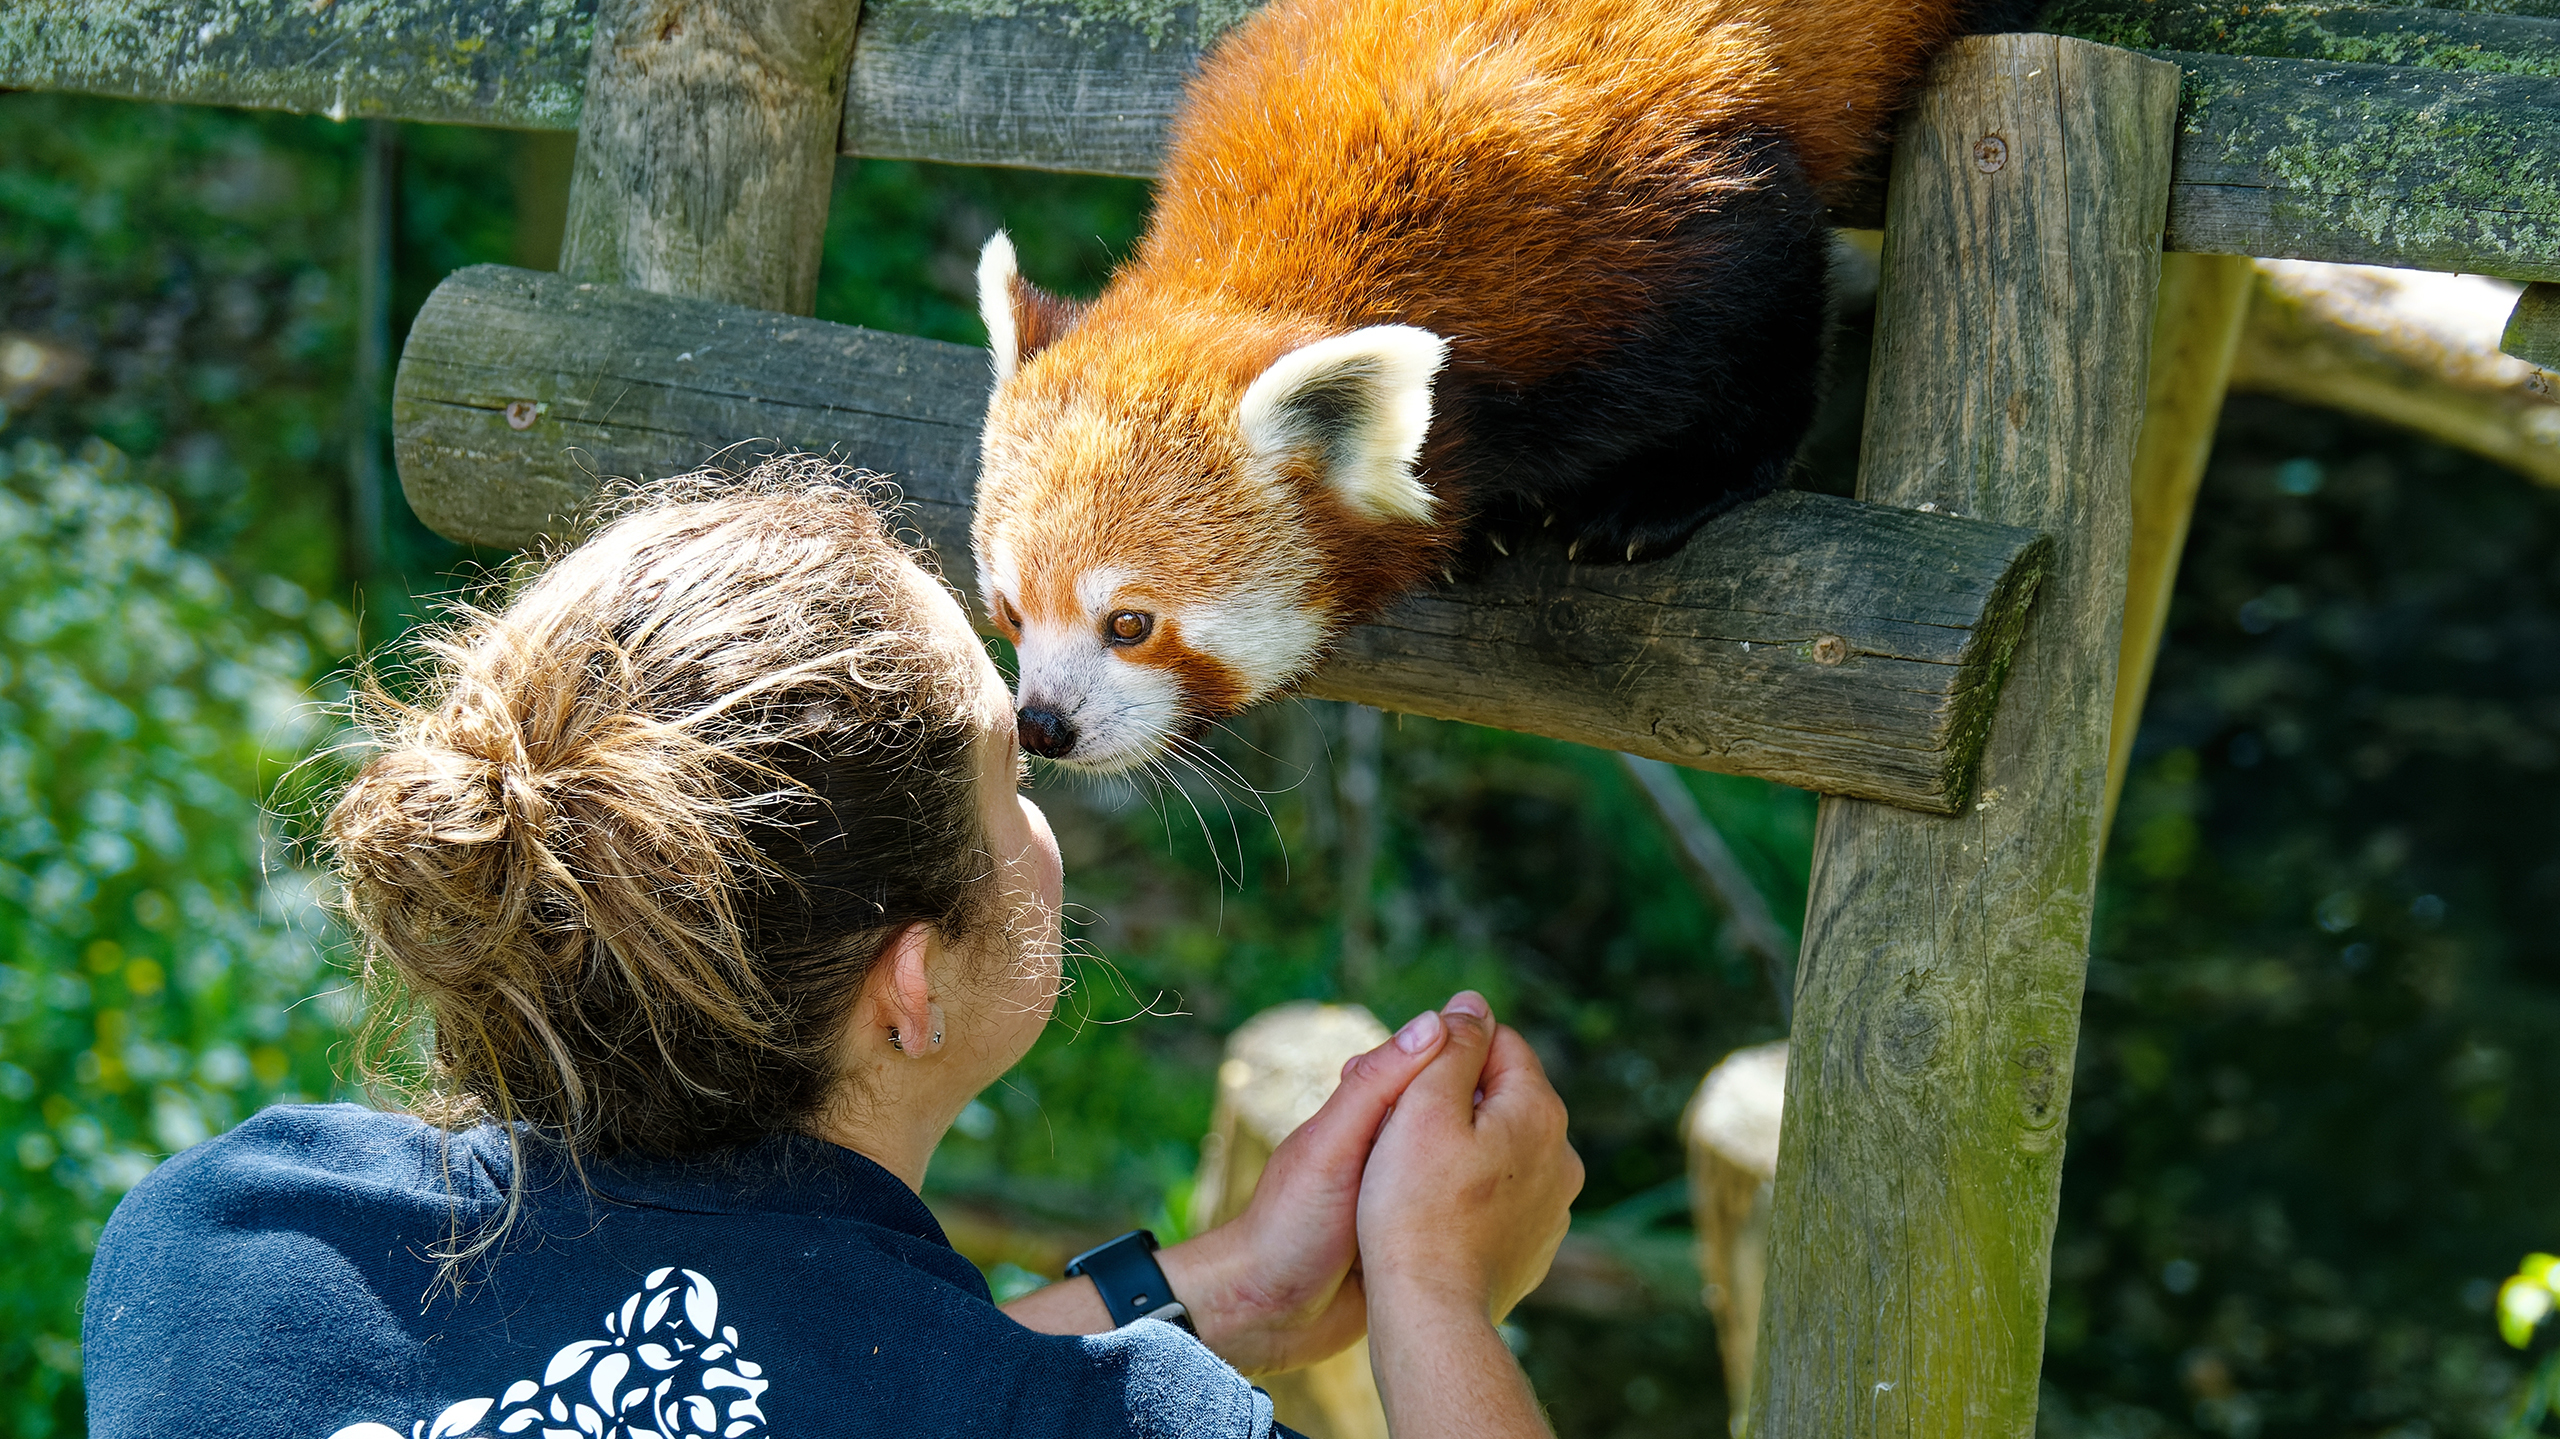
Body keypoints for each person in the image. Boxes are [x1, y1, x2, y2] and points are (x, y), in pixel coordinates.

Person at [81, 460, 1583, 1439]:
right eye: (1013, 779)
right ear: (910, 987)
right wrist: (1435, 1292)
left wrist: (1226, 1283)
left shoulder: (230, 1246)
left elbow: (783, 1376)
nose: (1045, 809)